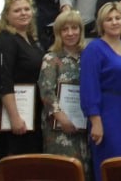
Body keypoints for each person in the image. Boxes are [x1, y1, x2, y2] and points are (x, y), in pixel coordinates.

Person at [82, 2, 121, 181]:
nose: (114, 22)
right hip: (108, 114)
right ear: (101, 24)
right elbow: (89, 86)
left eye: (118, 18)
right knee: (112, 165)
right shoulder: (94, 49)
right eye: (109, 19)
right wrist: (96, 121)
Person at [0, 0, 45, 160]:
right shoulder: (6, 40)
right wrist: (15, 117)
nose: (23, 13)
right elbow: (3, 80)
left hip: (33, 111)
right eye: (17, 10)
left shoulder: (31, 38)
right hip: (17, 116)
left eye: (26, 9)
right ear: (7, 15)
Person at [37, 10, 90, 172]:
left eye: (74, 28)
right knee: (62, 170)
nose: (70, 33)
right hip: (58, 126)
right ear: (58, 33)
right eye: (65, 29)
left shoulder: (88, 56)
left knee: (84, 169)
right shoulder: (51, 58)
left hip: (83, 124)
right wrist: (62, 118)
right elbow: (46, 92)